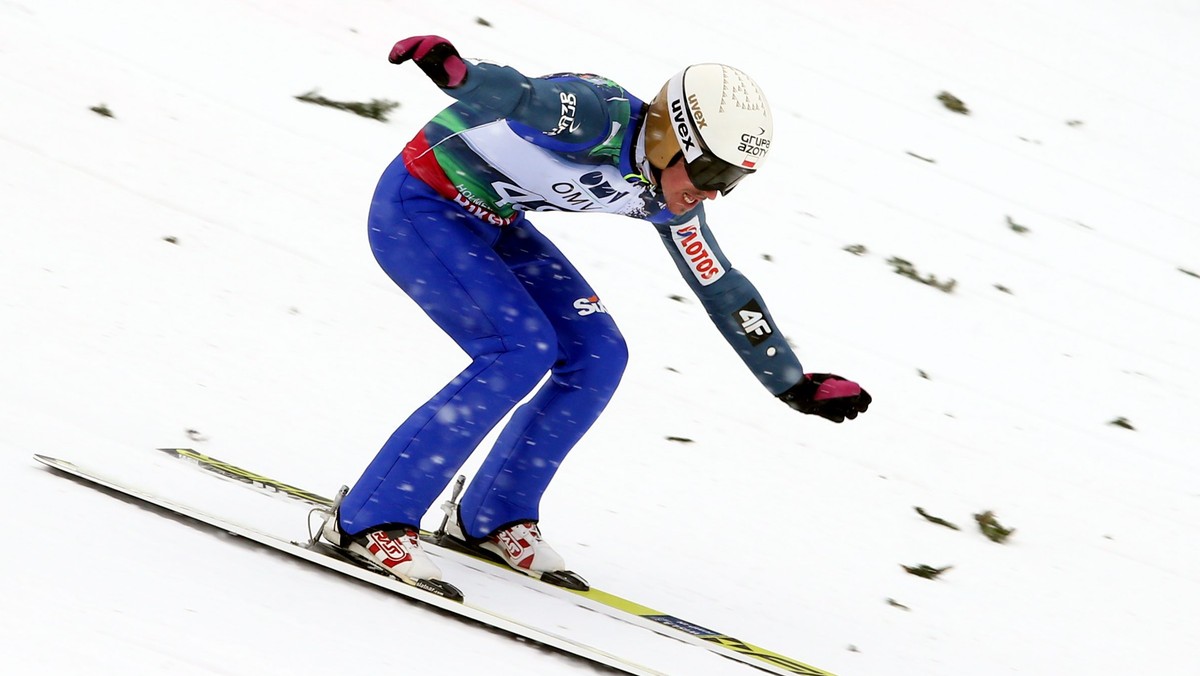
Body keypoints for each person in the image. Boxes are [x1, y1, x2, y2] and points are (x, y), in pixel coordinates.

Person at [321, 35, 872, 589]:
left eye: (731, 181)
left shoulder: (665, 193)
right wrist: (460, 74)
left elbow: (719, 284)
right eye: (710, 174)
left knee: (599, 354)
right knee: (519, 350)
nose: (713, 193)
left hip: (493, 219)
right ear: (669, 140)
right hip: (418, 204)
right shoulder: (596, 118)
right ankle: (373, 518)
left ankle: (493, 514)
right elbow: (522, 96)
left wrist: (790, 381)